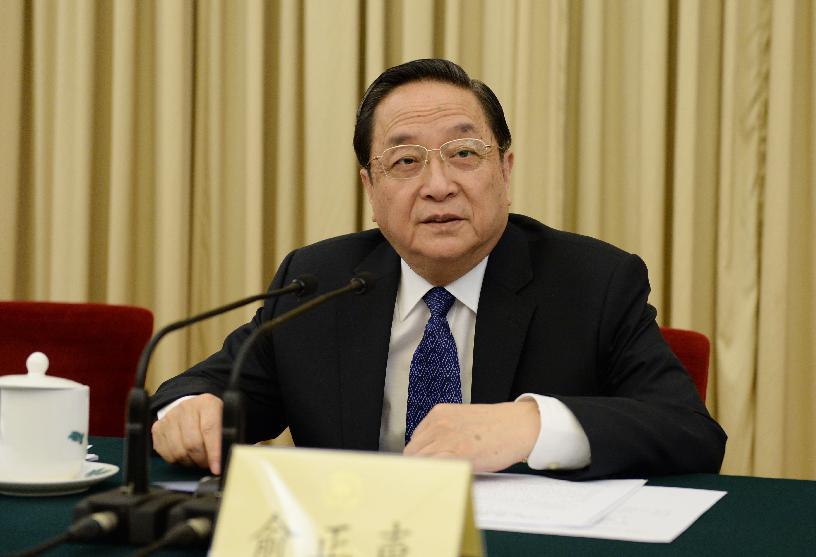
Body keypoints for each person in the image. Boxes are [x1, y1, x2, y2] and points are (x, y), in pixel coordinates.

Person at [150, 59, 726, 480]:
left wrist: (528, 426)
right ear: (371, 189)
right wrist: (188, 411)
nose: (438, 185)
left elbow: (690, 432)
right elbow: (207, 389)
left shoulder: (592, 282)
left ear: (505, 169)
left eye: (464, 154)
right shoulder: (319, 280)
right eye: (405, 161)